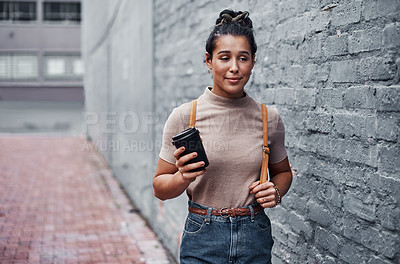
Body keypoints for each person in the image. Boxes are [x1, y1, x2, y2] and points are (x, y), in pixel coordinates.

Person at [153, 9, 292, 264]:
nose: (234, 68)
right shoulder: (185, 116)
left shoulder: (268, 118)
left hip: (254, 235)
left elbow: (283, 172)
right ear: (208, 60)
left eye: (243, 58)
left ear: (253, 61)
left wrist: (276, 191)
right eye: (224, 58)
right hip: (202, 235)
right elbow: (159, 187)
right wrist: (183, 177)